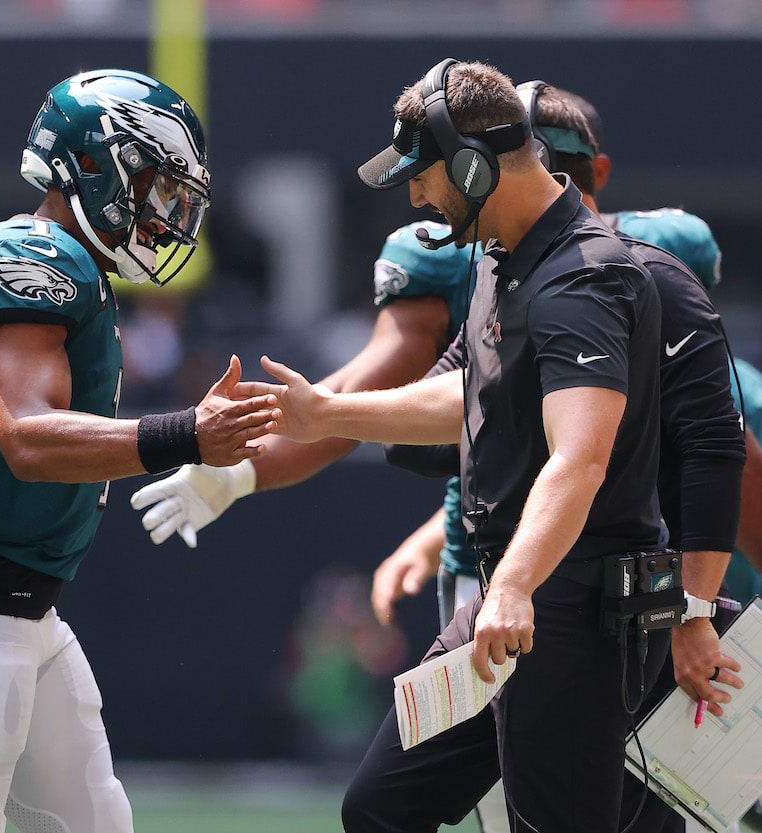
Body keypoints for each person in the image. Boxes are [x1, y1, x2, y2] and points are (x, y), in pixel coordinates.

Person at [258, 58, 743, 832]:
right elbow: (462, 395)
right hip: (513, 595)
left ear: (477, 164)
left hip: (576, 608)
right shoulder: (501, 258)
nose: (414, 194)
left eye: (425, 175)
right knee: (381, 805)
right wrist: (329, 412)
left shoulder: (583, 279)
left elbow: (578, 457)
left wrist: (515, 584)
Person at [0, 68, 281, 833]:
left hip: (18, 601)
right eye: (156, 186)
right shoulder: (32, 256)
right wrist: (185, 432)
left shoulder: (72, 264)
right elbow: (26, 437)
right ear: (96, 165)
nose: (168, 212)